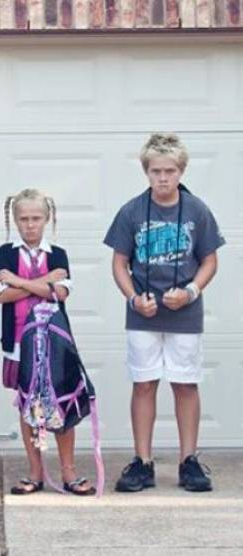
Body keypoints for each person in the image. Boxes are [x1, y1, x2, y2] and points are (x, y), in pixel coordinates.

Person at [104, 133, 224, 492]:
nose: (163, 178)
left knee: (186, 384)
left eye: (170, 170)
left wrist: (190, 291)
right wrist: (132, 298)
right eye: (156, 171)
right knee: (144, 384)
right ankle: (143, 462)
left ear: (181, 170)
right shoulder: (132, 211)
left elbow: (210, 260)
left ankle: (189, 461)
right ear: (146, 172)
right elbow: (119, 263)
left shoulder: (197, 210)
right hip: (144, 314)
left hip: (185, 315)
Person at [0, 188, 95, 495]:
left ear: (47, 218)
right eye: (24, 219)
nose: (30, 225)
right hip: (18, 342)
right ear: (15, 220)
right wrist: (43, 284)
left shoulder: (58, 254)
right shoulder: (5, 253)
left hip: (54, 343)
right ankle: (35, 471)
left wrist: (20, 282)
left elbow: (61, 293)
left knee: (61, 402)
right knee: (28, 406)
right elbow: (2, 295)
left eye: (36, 218)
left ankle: (68, 471)